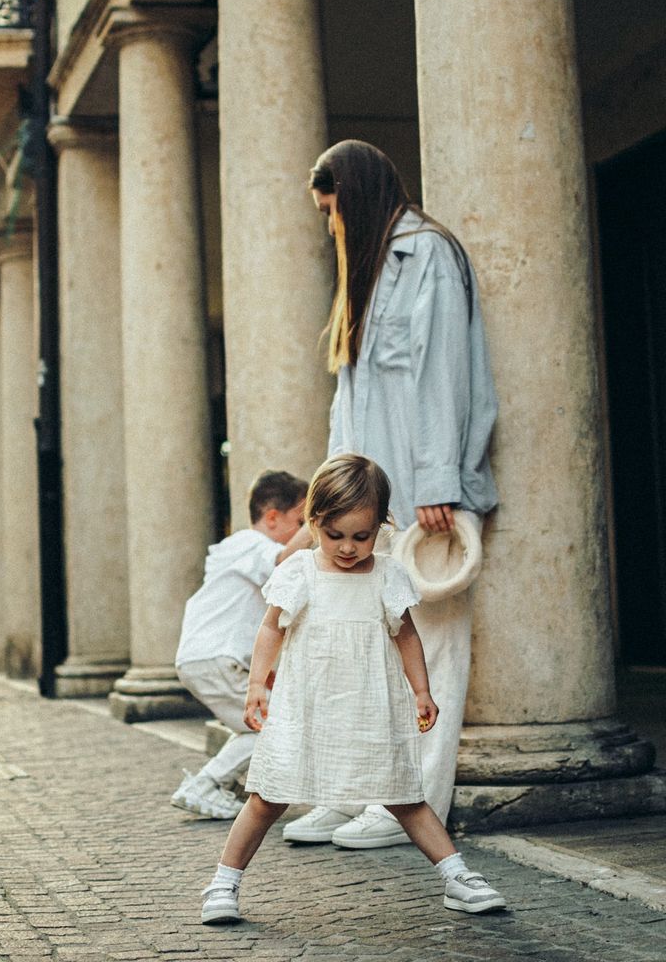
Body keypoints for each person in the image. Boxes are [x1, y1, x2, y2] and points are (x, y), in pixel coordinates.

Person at [284, 139, 498, 849]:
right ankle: (353, 793)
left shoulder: (427, 254)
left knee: (429, 649)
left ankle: (411, 805)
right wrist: (331, 498)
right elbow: (350, 403)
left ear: (359, 195)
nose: (329, 225)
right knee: (360, 652)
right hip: (369, 502)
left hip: (424, 498)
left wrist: (438, 479)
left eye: (332, 209)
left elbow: (445, 373)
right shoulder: (369, 273)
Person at [200, 455, 506, 925]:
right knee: (267, 797)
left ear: (381, 525)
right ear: (314, 522)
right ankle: (224, 883)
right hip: (306, 709)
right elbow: (270, 629)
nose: (347, 548)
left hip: (371, 710)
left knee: (405, 796)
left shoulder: (387, 574)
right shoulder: (300, 571)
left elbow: (405, 633)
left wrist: (422, 690)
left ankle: (458, 878)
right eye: (335, 535)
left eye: (361, 536)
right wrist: (257, 685)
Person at [171, 469, 309, 819]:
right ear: (272, 517)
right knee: (274, 726)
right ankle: (205, 785)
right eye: (301, 520)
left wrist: (263, 674)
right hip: (215, 657)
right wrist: (320, 521)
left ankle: (217, 787)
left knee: (257, 726)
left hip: (210, 658)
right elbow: (282, 563)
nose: (306, 529)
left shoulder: (243, 551)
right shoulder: (249, 544)